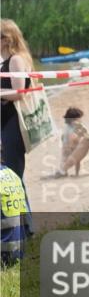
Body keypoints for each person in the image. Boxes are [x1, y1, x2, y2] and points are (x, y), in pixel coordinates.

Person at [0, 19, 32, 184]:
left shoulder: (16, 60)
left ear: (6, 40)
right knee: (10, 178)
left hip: (13, 124)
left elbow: (19, 92)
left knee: (13, 178)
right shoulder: (7, 62)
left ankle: (21, 203)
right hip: (6, 124)